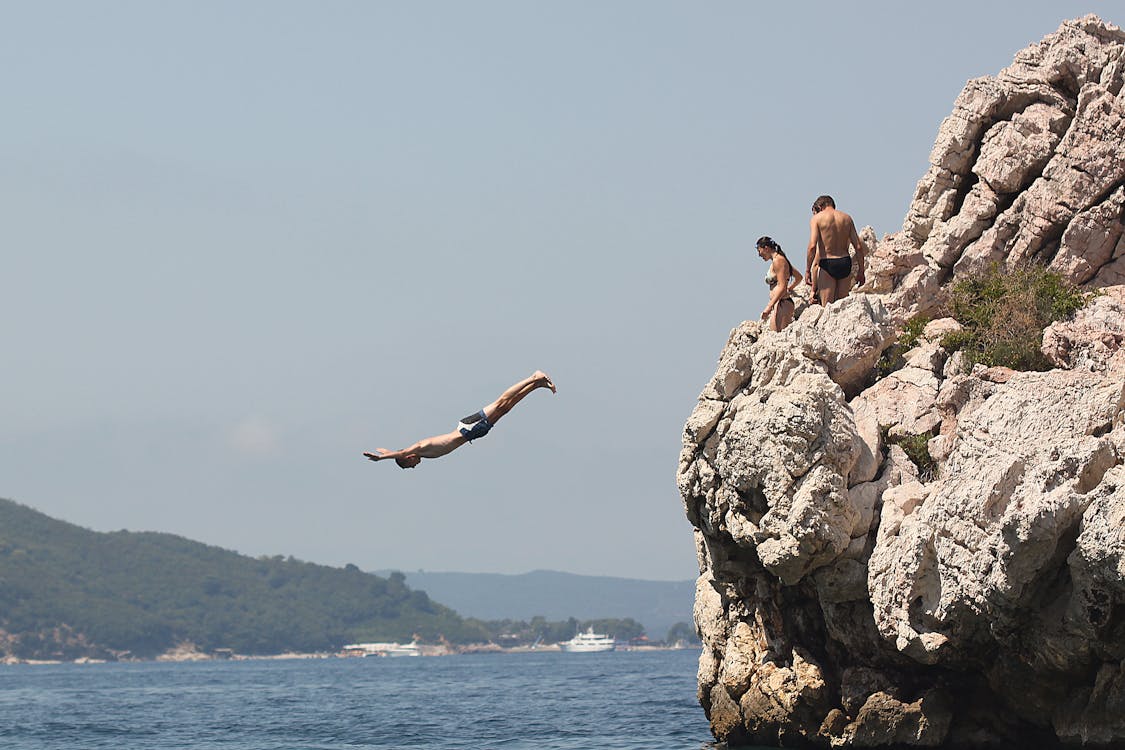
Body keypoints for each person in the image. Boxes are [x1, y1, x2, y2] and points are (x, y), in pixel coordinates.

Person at [363, 371, 556, 469]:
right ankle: (537, 385)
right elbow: (400, 452)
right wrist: (387, 452)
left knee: (500, 402)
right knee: (506, 409)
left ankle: (533, 377)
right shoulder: (421, 453)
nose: (413, 467)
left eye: (409, 466)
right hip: (472, 433)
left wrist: (381, 457)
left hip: (467, 428)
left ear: (409, 458)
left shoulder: (420, 447)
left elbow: (402, 452)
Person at [806, 195, 868, 306]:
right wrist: (861, 271)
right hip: (844, 262)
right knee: (842, 305)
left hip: (828, 263)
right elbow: (858, 247)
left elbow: (812, 247)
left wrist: (807, 270)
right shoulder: (847, 218)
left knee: (828, 307)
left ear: (820, 206)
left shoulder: (817, 219)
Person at [756, 236, 803, 331]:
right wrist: (790, 288)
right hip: (779, 304)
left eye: (759, 251)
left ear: (766, 248)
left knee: (779, 335)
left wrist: (769, 307)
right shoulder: (779, 260)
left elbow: (782, 287)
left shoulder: (778, 261)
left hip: (783, 304)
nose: (759, 255)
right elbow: (798, 277)